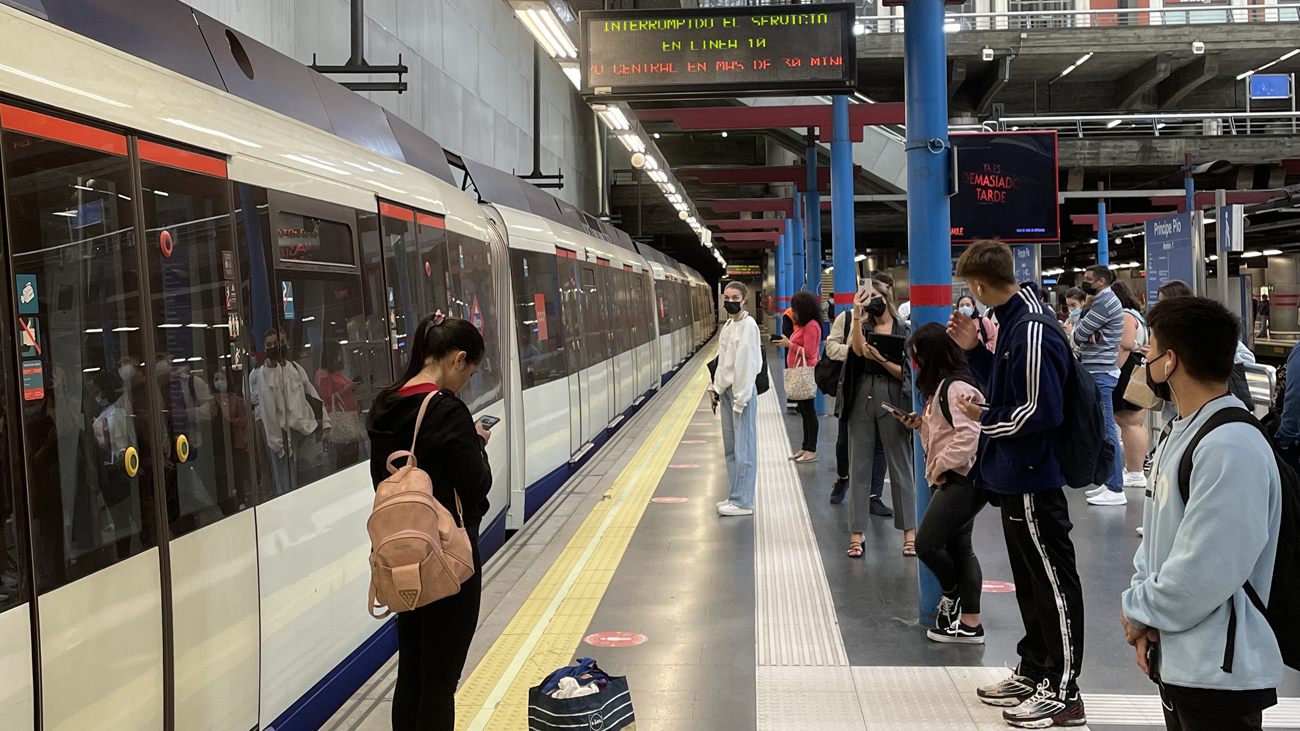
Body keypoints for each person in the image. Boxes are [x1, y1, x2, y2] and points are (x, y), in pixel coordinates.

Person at [1121, 296, 1282, 731]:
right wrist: (1146, 617)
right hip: (1180, 655)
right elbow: (1157, 541)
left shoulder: (1231, 445)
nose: (1144, 361)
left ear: (1169, 361)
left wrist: (1140, 611)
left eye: (1149, 350)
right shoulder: (1181, 429)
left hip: (1222, 672)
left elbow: (1207, 567)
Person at [948, 240, 1086, 728]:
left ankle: (1064, 689)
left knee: (1050, 579)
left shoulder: (1030, 331)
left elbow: (1037, 410)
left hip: (1032, 474)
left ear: (981, 286)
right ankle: (1035, 668)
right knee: (1029, 578)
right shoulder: (1013, 324)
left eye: (970, 287)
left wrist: (984, 418)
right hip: (1014, 474)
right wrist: (976, 355)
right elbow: (1012, 390)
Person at [368, 311, 493, 731]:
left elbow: (380, 480)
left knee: (412, 676)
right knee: (440, 684)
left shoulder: (384, 405)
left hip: (401, 555)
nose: (466, 383)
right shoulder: (446, 410)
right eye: (469, 373)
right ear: (457, 359)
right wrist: (476, 441)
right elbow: (475, 486)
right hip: (447, 557)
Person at [895, 323, 987, 644]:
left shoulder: (955, 388)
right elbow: (943, 434)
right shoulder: (940, 390)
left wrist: (939, 465)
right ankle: (971, 625)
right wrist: (920, 425)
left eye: (918, 355)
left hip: (962, 479)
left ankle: (952, 595)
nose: (915, 363)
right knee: (961, 548)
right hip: (951, 477)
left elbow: (970, 436)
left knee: (926, 544)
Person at [840, 280, 916, 557]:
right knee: (858, 465)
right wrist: (857, 314)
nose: (872, 301)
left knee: (900, 463)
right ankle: (857, 534)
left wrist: (882, 359)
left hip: (893, 396)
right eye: (866, 297)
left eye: (875, 296)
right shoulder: (864, 328)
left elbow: (905, 374)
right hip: (863, 395)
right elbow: (858, 351)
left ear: (887, 297)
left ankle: (910, 532)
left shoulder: (905, 330)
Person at [1074, 265, 1127, 506]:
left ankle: (1116, 488)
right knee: (1102, 429)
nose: (1085, 283)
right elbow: (1085, 333)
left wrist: (1085, 333)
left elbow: (1078, 333)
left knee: (1107, 431)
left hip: (1101, 372)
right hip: (1099, 370)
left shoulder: (1104, 303)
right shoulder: (1101, 301)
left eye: (1088, 280)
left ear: (1102, 281)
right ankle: (1108, 481)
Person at [711, 282, 762, 517]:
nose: (729, 301)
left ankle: (743, 501)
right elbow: (723, 361)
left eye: (734, 297)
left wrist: (741, 400)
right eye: (726, 297)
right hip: (727, 392)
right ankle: (734, 495)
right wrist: (715, 387)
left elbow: (747, 366)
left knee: (744, 449)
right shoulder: (730, 325)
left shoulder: (749, 326)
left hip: (742, 394)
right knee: (731, 448)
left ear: (744, 300)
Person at [258, 328, 329, 496]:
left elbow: (313, 396)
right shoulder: (264, 375)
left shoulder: (295, 368)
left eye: (280, 343)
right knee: (287, 486)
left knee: (310, 479)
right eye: (270, 345)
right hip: (284, 437)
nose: (276, 347)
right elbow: (268, 413)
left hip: (306, 430)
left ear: (287, 344)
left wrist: (325, 423)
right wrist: (278, 445)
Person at [775, 290, 824, 462]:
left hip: (805, 373)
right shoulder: (803, 326)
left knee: (809, 411)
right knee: (803, 410)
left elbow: (810, 353)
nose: (793, 312)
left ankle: (812, 449)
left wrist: (790, 344)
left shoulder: (812, 326)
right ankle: (805, 447)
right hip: (797, 372)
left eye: (795, 308)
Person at [1110, 281, 1150, 488]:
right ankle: (1136, 469)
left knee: (1128, 421)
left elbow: (1124, 346)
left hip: (1127, 370)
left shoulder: (1125, 316)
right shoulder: (1137, 315)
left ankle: (1135, 472)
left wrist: (1113, 371)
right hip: (1138, 368)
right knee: (1136, 422)